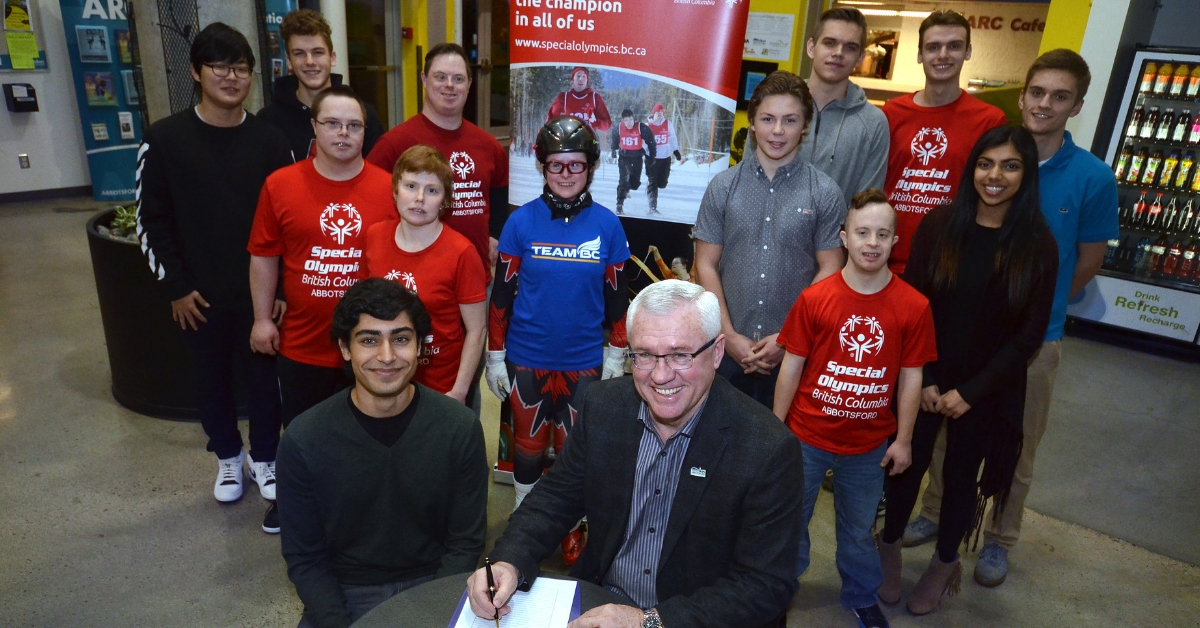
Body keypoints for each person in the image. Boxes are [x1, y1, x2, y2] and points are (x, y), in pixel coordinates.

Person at [466, 279, 804, 628]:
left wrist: (649, 622)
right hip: (600, 599)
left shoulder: (767, 448)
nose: (660, 375)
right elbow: (555, 498)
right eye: (643, 355)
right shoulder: (603, 406)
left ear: (717, 352)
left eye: (679, 354)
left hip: (693, 617)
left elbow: (764, 585)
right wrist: (508, 560)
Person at [902, 50, 1120, 589]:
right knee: (950, 440)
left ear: (1077, 106)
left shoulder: (1093, 177)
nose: (1045, 104)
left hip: (1033, 341)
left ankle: (999, 540)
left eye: (1060, 96)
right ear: (1023, 96)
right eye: (1038, 92)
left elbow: (1089, 260)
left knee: (1014, 447)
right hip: (963, 339)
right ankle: (936, 513)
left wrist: (1023, 312)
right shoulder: (994, 154)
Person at [879, 126, 1059, 615]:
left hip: (989, 388)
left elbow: (1029, 334)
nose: (994, 176)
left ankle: (942, 565)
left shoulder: (1038, 244)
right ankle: (889, 548)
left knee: (962, 477)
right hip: (927, 374)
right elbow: (913, 304)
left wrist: (971, 392)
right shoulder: (940, 225)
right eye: (985, 163)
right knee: (905, 466)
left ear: (1026, 175)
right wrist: (930, 376)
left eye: (1010, 165)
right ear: (971, 168)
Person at [135, 22, 292, 523]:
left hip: (260, 295)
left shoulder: (271, 141)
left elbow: (291, 222)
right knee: (211, 382)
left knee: (266, 383)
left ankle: (264, 458)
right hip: (197, 297)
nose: (232, 76)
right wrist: (177, 287)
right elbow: (150, 220)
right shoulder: (164, 139)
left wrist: (283, 289)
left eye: (242, 68)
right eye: (221, 67)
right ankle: (228, 459)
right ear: (196, 73)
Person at [277, 278, 488, 628]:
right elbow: (306, 559)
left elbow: (465, 544)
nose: (387, 356)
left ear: (420, 346)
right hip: (343, 592)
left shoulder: (459, 428)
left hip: (435, 585)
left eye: (401, 339)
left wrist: (436, 612)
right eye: (369, 340)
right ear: (345, 348)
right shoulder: (304, 439)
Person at [772, 189, 936, 628]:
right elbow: (792, 365)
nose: (872, 242)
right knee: (790, 523)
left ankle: (862, 596)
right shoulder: (815, 298)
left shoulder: (913, 306)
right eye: (862, 232)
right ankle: (779, 590)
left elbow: (911, 377)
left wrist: (903, 440)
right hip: (805, 437)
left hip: (868, 447)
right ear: (844, 237)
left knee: (859, 531)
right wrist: (776, 429)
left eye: (883, 234)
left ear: (895, 241)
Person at [248, 85, 395, 532]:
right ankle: (296, 503)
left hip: (370, 345)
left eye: (354, 125)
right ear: (314, 126)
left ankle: (365, 509)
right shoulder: (281, 184)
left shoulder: (389, 188)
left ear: (365, 132)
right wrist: (260, 319)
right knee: (303, 435)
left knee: (370, 433)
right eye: (332, 123)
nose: (343, 133)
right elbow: (263, 255)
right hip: (303, 341)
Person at [484, 116, 630, 565]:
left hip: (584, 364)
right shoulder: (519, 222)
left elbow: (618, 302)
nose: (566, 175)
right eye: (556, 166)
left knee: (573, 456)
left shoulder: (608, 226)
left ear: (591, 167)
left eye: (576, 166)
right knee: (527, 453)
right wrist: (495, 355)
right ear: (542, 166)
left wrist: (616, 355)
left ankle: (571, 528)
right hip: (527, 360)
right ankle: (526, 527)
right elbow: (502, 295)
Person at [694, 71, 847, 408]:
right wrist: (729, 336)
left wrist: (788, 338)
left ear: (804, 126)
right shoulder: (723, 187)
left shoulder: (824, 192)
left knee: (781, 453)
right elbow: (705, 264)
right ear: (752, 123)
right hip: (727, 355)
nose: (778, 131)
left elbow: (832, 270)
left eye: (790, 120)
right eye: (768, 119)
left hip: (795, 358)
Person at [367, 43, 509, 282]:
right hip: (413, 279)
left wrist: (495, 233)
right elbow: (368, 199)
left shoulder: (489, 146)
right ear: (424, 79)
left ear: (469, 85)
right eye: (440, 77)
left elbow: (499, 191)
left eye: (458, 78)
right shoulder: (394, 144)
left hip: (474, 278)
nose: (449, 85)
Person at [881, 9, 1008, 275]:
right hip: (886, 261)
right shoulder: (890, 114)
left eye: (954, 46)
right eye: (933, 47)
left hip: (951, 265)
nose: (942, 55)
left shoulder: (990, 120)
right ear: (919, 55)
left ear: (968, 51)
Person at [362, 145, 488, 405]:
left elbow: (476, 331)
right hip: (385, 379)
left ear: (445, 200)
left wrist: (459, 391)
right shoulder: (375, 236)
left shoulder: (462, 252)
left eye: (432, 190)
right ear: (395, 189)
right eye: (410, 186)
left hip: (441, 386)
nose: (419, 198)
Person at [258, 9, 385, 161]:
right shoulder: (269, 121)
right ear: (289, 60)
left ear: (332, 58)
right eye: (299, 53)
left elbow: (376, 177)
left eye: (318, 52)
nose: (310, 61)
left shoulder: (362, 116)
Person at [798, 7, 889, 206]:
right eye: (830, 43)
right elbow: (749, 181)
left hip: (836, 237)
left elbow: (867, 206)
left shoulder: (873, 123)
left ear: (860, 58)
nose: (838, 53)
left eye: (850, 47)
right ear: (811, 48)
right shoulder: (777, 108)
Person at [611, 107, 654, 215]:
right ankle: (619, 205)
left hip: (637, 156)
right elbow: (614, 138)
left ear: (633, 119)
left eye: (630, 120)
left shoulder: (641, 127)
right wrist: (613, 150)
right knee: (623, 180)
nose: (629, 123)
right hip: (624, 156)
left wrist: (651, 156)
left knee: (635, 184)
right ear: (623, 121)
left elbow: (651, 141)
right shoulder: (619, 128)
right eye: (626, 120)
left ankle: (625, 190)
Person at [645, 103, 687, 214]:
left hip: (665, 158)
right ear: (654, 113)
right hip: (652, 159)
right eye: (658, 112)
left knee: (662, 183)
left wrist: (676, 152)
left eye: (662, 112)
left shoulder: (668, 124)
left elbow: (672, 139)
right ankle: (652, 207)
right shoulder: (647, 126)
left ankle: (651, 187)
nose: (660, 114)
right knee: (653, 183)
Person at [546, 66, 612, 134]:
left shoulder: (595, 98)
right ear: (572, 80)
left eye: (584, 76)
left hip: (590, 141)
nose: (581, 79)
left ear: (587, 81)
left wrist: (596, 122)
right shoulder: (563, 97)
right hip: (569, 140)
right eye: (578, 76)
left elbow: (607, 125)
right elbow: (550, 122)